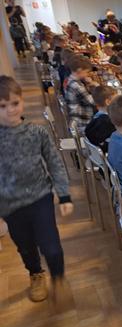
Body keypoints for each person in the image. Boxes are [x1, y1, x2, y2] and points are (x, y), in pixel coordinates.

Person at [0, 76, 74, 302]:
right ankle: (35, 273)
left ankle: (58, 277)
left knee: (51, 246)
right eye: (2, 106)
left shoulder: (37, 132)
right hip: (10, 205)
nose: (10, 110)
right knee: (25, 246)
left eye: (15, 103)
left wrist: (64, 195)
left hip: (40, 198)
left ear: (22, 101)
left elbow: (54, 162)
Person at [64, 55, 97, 133]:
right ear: (79, 70)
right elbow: (92, 101)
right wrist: (97, 87)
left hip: (77, 118)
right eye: (86, 72)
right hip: (83, 122)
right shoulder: (76, 85)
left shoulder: (72, 80)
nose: (88, 74)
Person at [85, 85, 116, 153]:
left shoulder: (96, 116)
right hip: (110, 153)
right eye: (116, 100)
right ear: (108, 102)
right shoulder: (108, 122)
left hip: (99, 153)